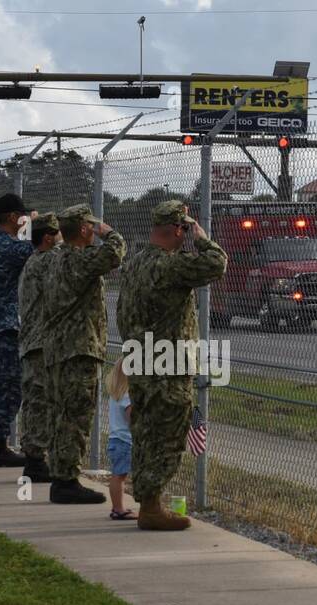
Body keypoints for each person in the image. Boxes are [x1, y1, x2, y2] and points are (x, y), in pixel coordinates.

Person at [116, 200, 227, 530]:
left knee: (145, 429)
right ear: (179, 230)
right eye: (185, 230)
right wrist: (202, 237)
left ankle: (148, 500)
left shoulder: (136, 263)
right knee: (169, 432)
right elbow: (217, 264)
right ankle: (151, 506)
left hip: (140, 357)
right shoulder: (169, 266)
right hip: (168, 364)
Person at [41, 204, 125, 504]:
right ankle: (66, 482)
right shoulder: (79, 258)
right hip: (77, 349)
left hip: (57, 348)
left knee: (61, 414)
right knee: (75, 416)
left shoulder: (54, 257)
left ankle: (61, 476)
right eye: (91, 226)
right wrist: (108, 231)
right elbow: (115, 252)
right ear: (85, 229)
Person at [0, 193, 36, 468]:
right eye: (23, 216)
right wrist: (33, 227)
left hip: (0, 324)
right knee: (8, 386)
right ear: (14, 218)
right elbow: (31, 251)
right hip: (5, 326)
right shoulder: (6, 246)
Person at [16, 213, 62, 483]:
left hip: (34, 340)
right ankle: (35, 460)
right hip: (41, 342)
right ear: (47, 237)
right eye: (57, 233)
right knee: (40, 402)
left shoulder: (35, 260)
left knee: (36, 401)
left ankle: (34, 458)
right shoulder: (46, 261)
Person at [105, 360, 135, 520]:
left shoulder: (116, 394)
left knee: (118, 474)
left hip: (115, 439)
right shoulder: (127, 395)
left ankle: (117, 507)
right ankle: (118, 508)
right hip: (124, 441)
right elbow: (132, 417)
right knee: (119, 475)